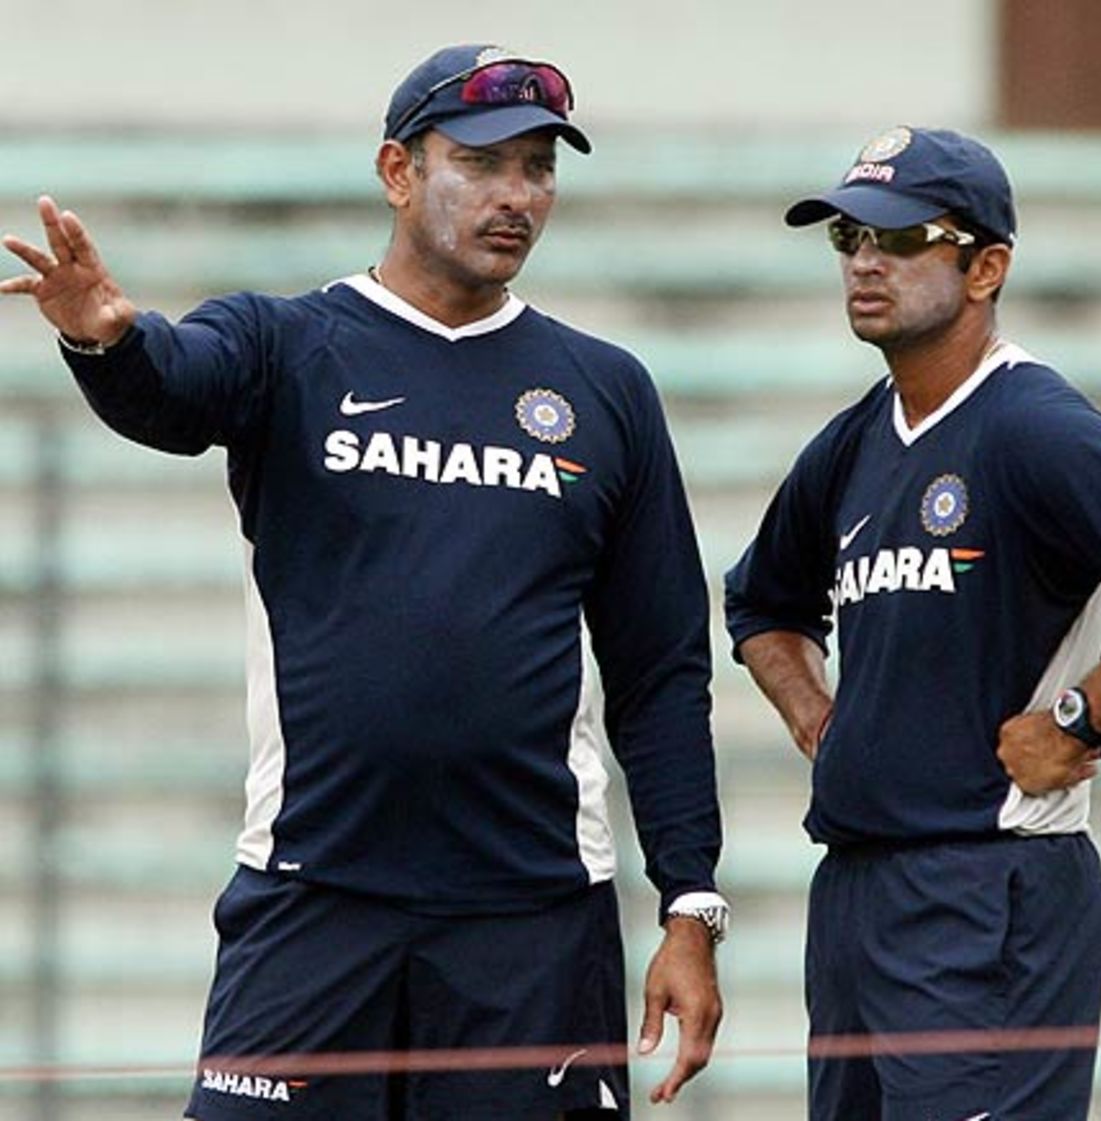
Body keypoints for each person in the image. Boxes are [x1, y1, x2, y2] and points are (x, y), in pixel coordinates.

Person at [1, 43, 729, 1121]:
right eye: (482, 165)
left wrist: (688, 901)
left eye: (538, 168)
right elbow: (173, 389)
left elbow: (660, 666)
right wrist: (109, 340)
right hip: (314, 891)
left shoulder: (604, 390)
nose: (516, 197)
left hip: (528, 917)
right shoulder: (288, 343)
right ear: (397, 171)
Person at [723, 125, 1101, 1121]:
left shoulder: (1027, 424)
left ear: (985, 267)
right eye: (848, 236)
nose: (862, 262)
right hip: (854, 891)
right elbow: (761, 600)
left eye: (898, 240)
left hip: (987, 889)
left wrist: (1078, 715)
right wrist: (816, 712)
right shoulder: (853, 438)